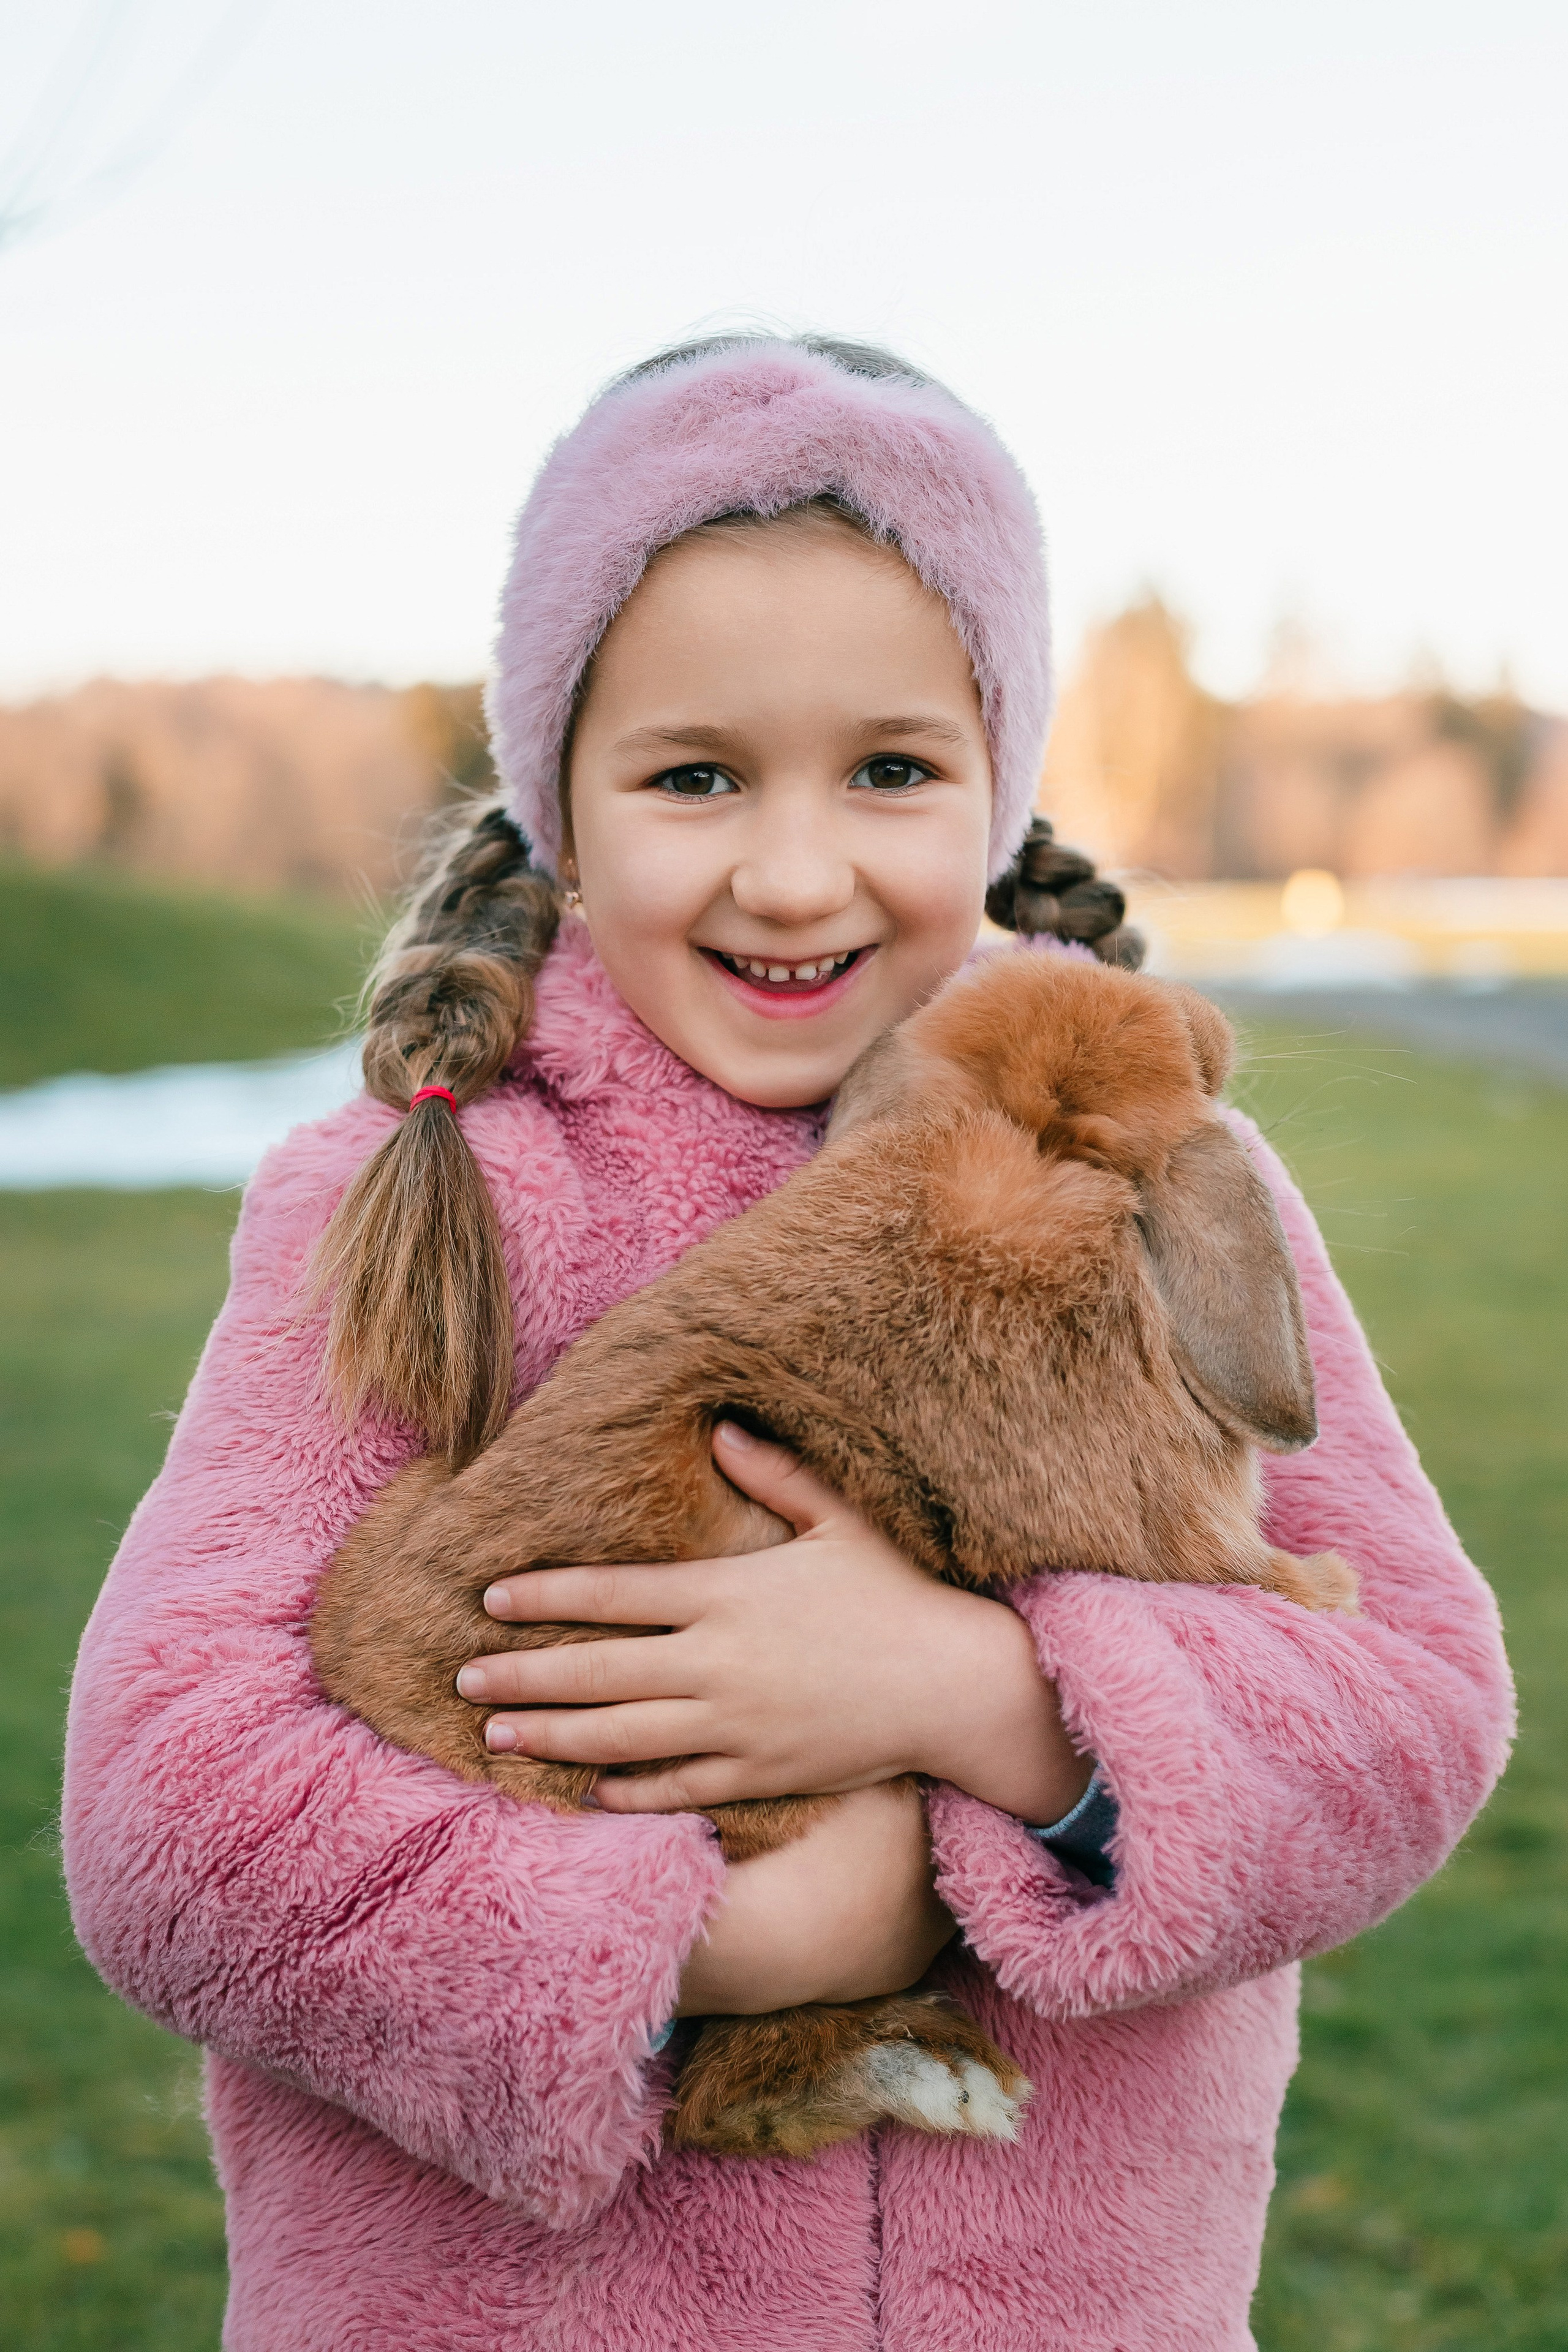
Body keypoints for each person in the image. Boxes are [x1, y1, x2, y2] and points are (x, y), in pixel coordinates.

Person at [62, 337, 1512, 2352]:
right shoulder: (412, 1195)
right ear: (562, 814)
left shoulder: (1150, 1153)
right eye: (695, 776)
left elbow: (1411, 1708)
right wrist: (726, 1942)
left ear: (998, 794)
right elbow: (174, 1816)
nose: (797, 871)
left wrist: (993, 1708)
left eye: (892, 771)